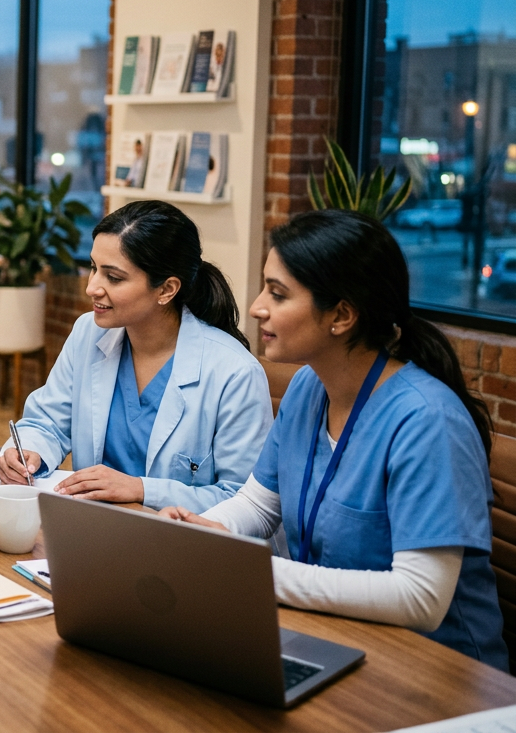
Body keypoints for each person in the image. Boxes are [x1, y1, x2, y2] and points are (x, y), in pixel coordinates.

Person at [160, 209, 508, 671]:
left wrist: (251, 573)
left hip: (439, 673)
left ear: (341, 315)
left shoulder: (427, 420)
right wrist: (207, 533)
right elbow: (260, 505)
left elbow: (421, 597)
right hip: (336, 639)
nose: (258, 305)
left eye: (278, 294)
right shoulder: (310, 386)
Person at [0, 200, 272, 513]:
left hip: (180, 548)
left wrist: (141, 489)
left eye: (113, 277)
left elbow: (245, 503)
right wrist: (30, 451)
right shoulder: (89, 332)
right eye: (93, 268)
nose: (92, 288)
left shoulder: (235, 373)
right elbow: (47, 422)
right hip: (92, 528)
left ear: (166, 290)